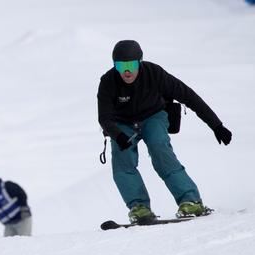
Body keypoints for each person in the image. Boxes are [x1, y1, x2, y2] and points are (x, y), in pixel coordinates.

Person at [97, 40, 232, 223]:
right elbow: (104, 117)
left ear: (140, 62)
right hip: (122, 124)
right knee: (122, 160)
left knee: (159, 148)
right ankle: (139, 207)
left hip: (153, 116)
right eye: (121, 66)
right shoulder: (108, 82)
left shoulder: (155, 74)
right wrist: (118, 135)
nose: (126, 71)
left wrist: (216, 125)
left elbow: (189, 97)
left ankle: (190, 201)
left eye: (131, 65)